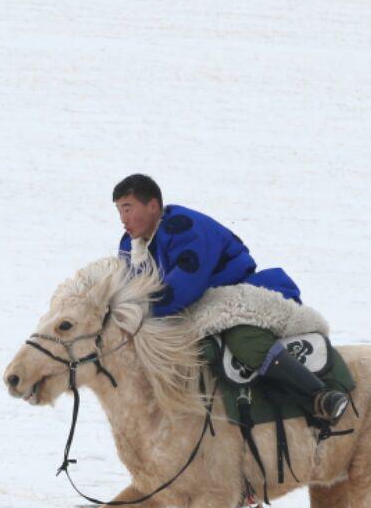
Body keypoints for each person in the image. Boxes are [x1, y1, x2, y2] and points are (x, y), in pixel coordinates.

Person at [113, 173, 348, 423]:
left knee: (244, 340)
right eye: (119, 211)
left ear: (153, 206)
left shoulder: (184, 227)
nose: (123, 219)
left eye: (128, 209)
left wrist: (135, 312)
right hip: (191, 308)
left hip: (235, 296)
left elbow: (182, 287)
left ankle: (321, 395)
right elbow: (130, 289)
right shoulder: (131, 245)